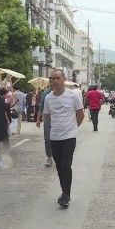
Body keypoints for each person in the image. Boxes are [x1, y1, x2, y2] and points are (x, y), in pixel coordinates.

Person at [42, 70, 84, 207]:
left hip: (69, 137)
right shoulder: (48, 98)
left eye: (57, 78)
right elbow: (46, 116)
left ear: (63, 79)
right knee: (60, 167)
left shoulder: (72, 96)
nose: (54, 81)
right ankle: (64, 191)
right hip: (54, 137)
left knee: (66, 165)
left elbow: (80, 114)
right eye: (51, 78)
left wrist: (73, 128)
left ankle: (66, 194)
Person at [36, 85, 53, 168]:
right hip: (48, 119)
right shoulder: (46, 93)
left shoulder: (66, 92)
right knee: (47, 138)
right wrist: (38, 119)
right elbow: (41, 107)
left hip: (61, 120)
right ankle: (49, 157)